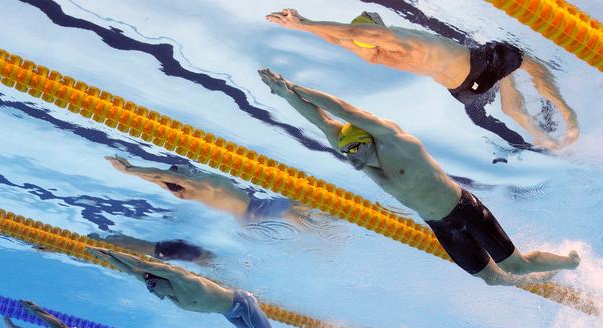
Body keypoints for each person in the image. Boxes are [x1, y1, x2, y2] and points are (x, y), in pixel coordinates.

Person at [258, 68, 580, 285]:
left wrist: (295, 86)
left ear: (365, 139)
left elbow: (341, 109)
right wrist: (284, 94)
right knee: (492, 279)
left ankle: (569, 262)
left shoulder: (395, 140)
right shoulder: (358, 152)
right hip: (441, 226)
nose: (353, 160)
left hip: (465, 210)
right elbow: (322, 121)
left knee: (513, 266)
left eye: (354, 152)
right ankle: (539, 276)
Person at [266, 9, 579, 150]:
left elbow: (342, 39)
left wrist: (306, 24)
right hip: (478, 66)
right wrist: (303, 24)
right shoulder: (395, 39)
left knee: (510, 102)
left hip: (461, 90)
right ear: (376, 27)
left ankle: (540, 136)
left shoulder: (373, 54)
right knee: (528, 64)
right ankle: (567, 112)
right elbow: (355, 33)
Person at [87, 247, 332, 328]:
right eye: (149, 287)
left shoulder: (182, 280)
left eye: (151, 286)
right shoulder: (166, 289)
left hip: (242, 303)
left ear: (160, 280)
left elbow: (140, 264)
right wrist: (100, 257)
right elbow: (132, 271)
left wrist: (106, 250)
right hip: (228, 313)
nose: (149, 291)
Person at [105, 156, 323, 224]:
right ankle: (335, 221)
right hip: (257, 208)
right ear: (180, 175)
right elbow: (163, 176)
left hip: (248, 217)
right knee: (303, 205)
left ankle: (325, 239)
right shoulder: (195, 183)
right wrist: (129, 169)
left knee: (301, 219)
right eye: (177, 167)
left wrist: (133, 171)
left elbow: (157, 180)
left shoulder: (183, 192)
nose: (180, 165)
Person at [89, 232, 215, 265]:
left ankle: (106, 241)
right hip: (186, 251)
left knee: (155, 250)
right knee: (157, 250)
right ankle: (103, 241)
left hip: (186, 250)